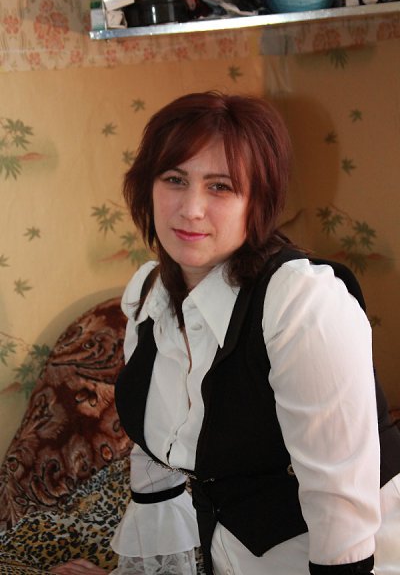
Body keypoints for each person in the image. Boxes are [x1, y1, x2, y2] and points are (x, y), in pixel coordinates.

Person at [52, 91, 400, 575]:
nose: (191, 209)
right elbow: (158, 469)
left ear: (260, 201)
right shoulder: (148, 295)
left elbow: (340, 508)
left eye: (220, 186)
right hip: (227, 555)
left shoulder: (302, 304)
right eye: (175, 179)